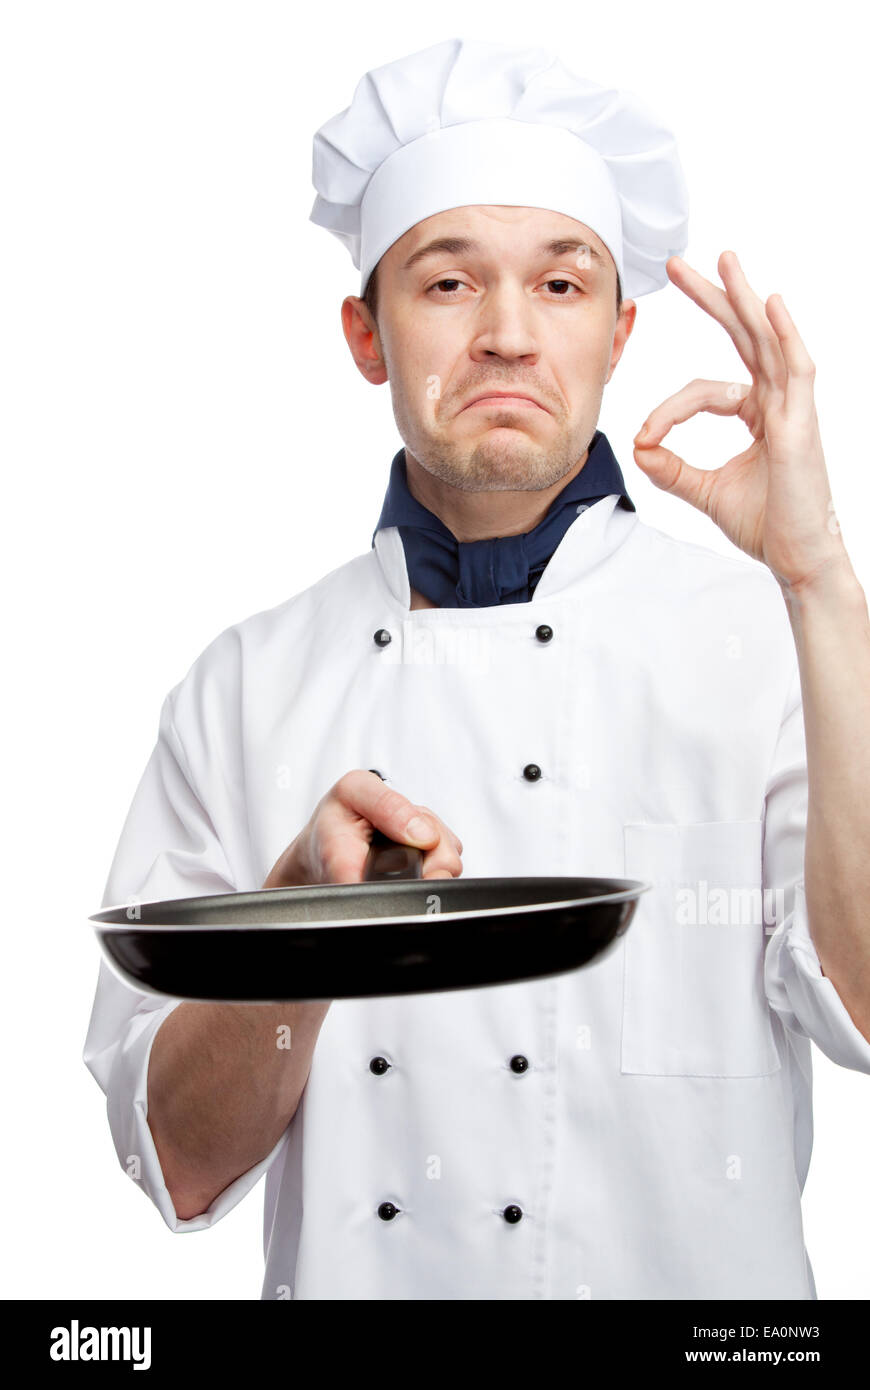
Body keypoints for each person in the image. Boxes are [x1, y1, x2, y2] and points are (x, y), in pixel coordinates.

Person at [83, 36, 870, 1300]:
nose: (507, 335)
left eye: (561, 288)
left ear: (619, 334)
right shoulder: (245, 687)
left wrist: (823, 577)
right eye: (448, 285)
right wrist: (302, 927)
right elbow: (177, 1157)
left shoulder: (775, 646)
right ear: (365, 332)